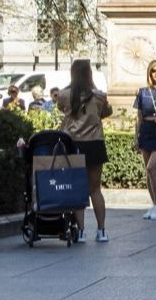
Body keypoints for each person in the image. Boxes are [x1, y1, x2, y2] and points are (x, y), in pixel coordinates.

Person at [49, 59, 115, 243]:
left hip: (73, 144)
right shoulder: (100, 96)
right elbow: (106, 112)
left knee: (78, 188)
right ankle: (102, 230)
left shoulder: (63, 95)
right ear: (89, 74)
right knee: (95, 189)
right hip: (95, 143)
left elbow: (62, 109)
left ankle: (81, 231)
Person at [133, 60, 156, 221]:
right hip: (146, 132)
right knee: (148, 170)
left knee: (151, 167)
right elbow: (139, 117)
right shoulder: (142, 92)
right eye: (153, 70)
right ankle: (154, 205)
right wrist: (136, 136)